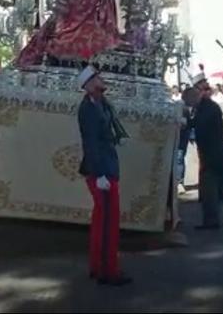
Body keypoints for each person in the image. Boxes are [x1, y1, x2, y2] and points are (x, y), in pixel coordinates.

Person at [76, 66, 132, 286]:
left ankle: (98, 266)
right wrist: (99, 174)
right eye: (97, 78)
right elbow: (91, 143)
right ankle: (108, 270)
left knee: (104, 220)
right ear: (89, 85)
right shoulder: (88, 109)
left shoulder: (101, 103)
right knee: (108, 221)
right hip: (101, 170)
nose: (102, 79)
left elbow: (107, 130)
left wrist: (118, 137)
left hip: (107, 165)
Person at [184, 79, 223, 230]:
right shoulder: (204, 107)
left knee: (209, 189)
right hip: (214, 153)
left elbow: (200, 124)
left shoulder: (209, 107)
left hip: (214, 155)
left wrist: (186, 122)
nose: (190, 106)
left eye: (189, 103)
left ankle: (212, 220)